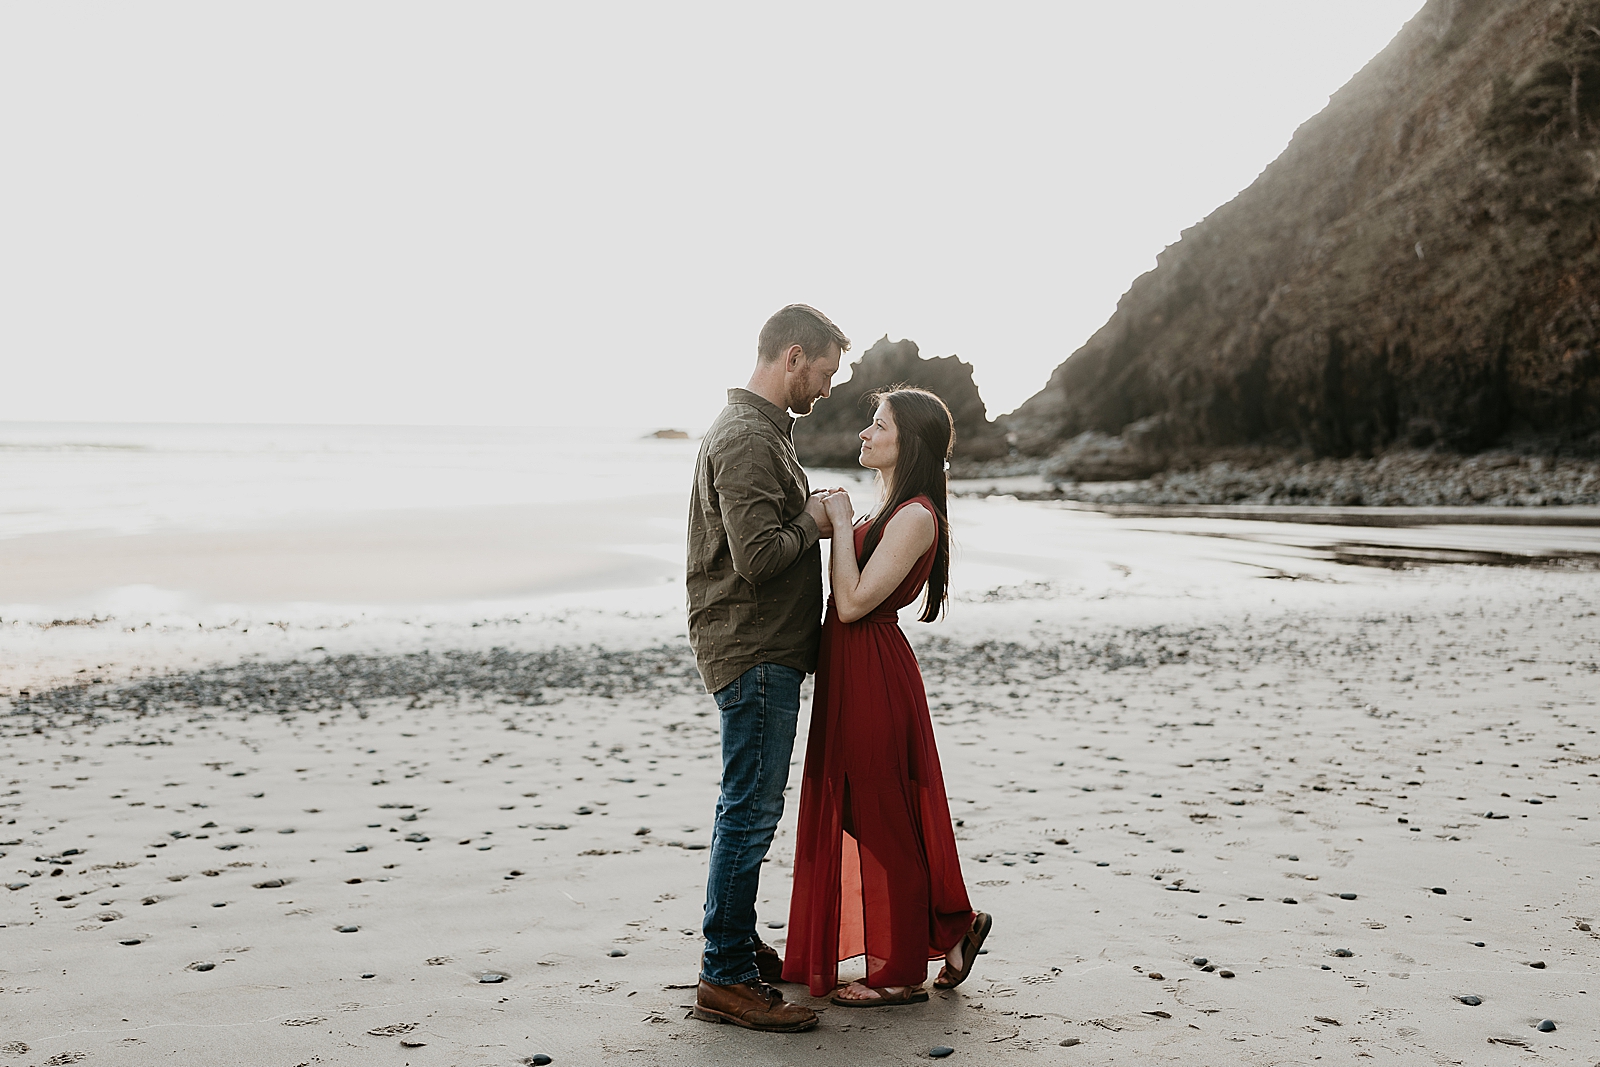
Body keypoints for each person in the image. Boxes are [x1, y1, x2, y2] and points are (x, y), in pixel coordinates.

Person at [782, 386, 991, 1005]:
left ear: (911, 441)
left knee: (877, 814)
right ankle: (952, 929)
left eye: (879, 425)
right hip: (854, 671)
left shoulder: (917, 515)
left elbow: (851, 603)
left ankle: (901, 972)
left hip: (873, 670)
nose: (865, 433)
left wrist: (842, 524)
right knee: (858, 808)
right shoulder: (890, 507)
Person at [685, 303, 850, 1033]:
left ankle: (736, 946)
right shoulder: (749, 438)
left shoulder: (764, 433)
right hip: (752, 649)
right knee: (750, 809)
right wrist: (813, 522)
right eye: (823, 371)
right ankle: (724, 974)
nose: (826, 388)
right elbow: (756, 560)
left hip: (760, 648)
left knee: (745, 802)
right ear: (791, 356)